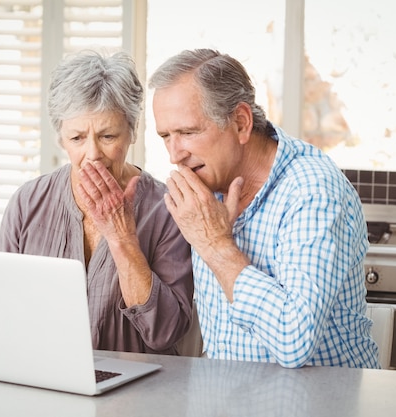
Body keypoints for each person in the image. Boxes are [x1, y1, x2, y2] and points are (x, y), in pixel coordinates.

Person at [148, 48, 380, 368]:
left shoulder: (313, 192)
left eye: (188, 132)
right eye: (166, 136)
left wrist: (216, 246)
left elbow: (293, 341)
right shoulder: (206, 188)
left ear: (241, 123)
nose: (175, 155)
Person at [0, 50, 194, 355]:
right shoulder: (27, 203)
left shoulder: (168, 209)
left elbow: (165, 332)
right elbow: (2, 312)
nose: (92, 154)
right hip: (44, 382)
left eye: (107, 136)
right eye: (77, 138)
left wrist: (122, 239)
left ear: (132, 131)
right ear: (61, 139)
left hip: (138, 392)